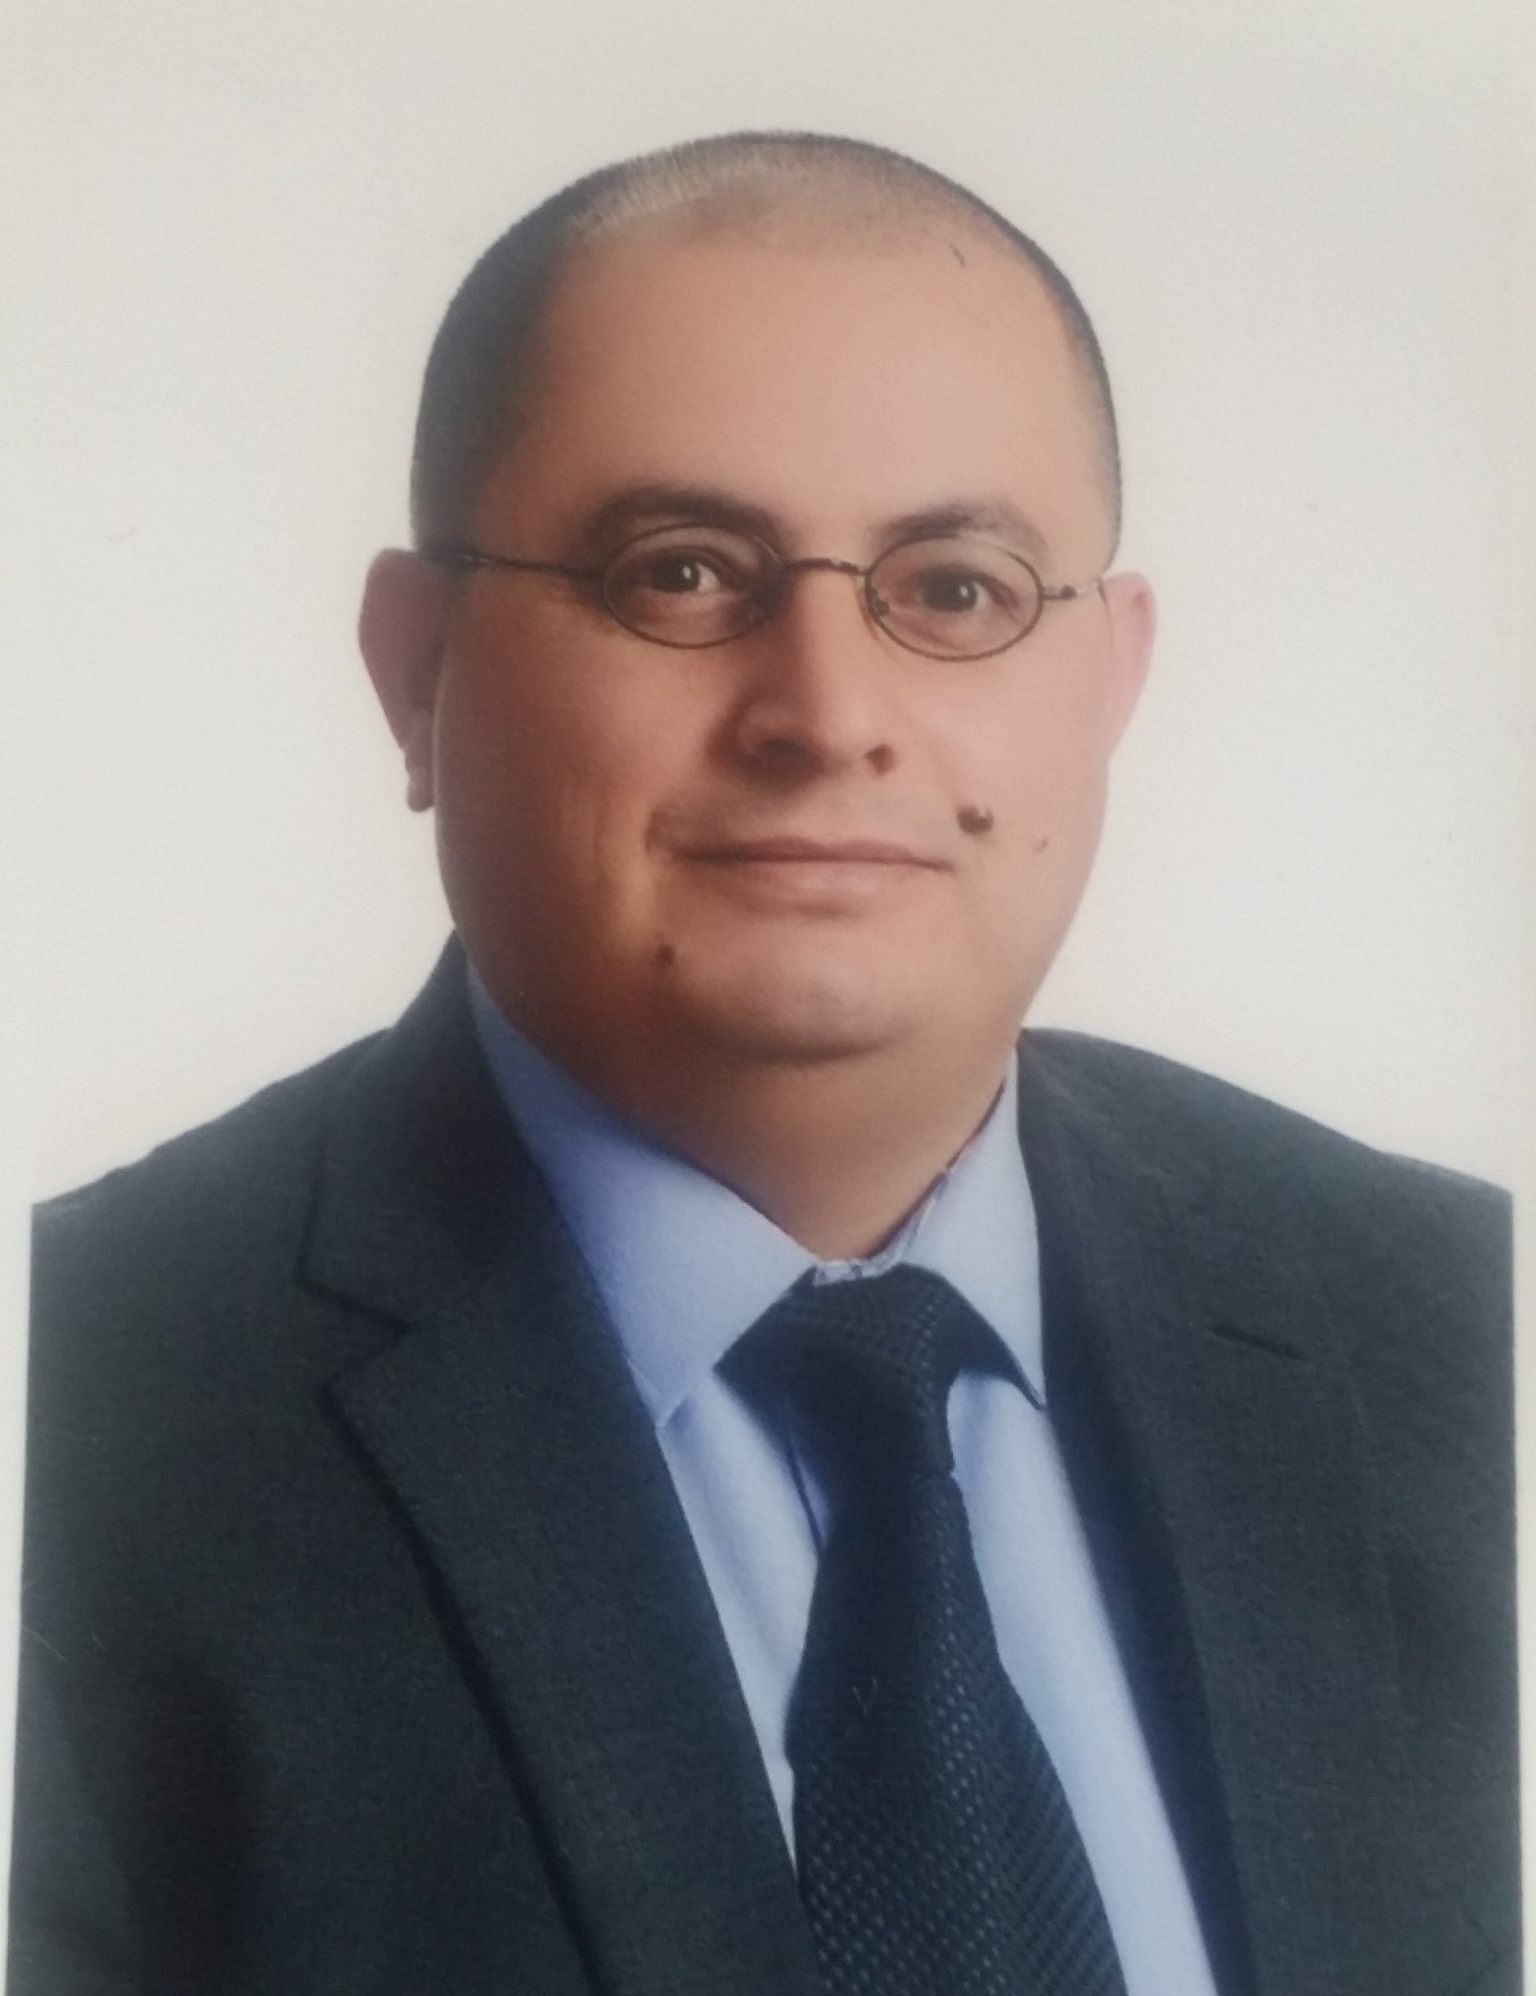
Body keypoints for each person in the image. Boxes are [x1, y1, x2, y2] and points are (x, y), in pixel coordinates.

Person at [9, 133, 1515, 1996]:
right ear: (417, 671)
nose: (826, 715)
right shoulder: (74, 1429)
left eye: (955, 590)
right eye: (682, 573)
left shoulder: (1455, 1323)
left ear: (1112, 679)